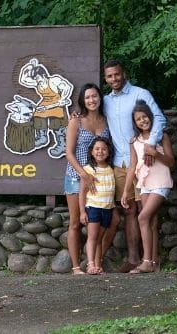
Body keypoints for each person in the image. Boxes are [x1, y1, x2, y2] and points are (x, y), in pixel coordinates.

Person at [102, 59, 166, 272]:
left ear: (123, 73)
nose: (114, 79)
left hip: (144, 162)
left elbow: (158, 117)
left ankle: (153, 260)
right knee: (129, 209)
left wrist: (150, 144)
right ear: (106, 78)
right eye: (109, 76)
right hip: (121, 162)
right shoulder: (106, 101)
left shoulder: (140, 93)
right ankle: (134, 259)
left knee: (147, 212)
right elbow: (90, 111)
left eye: (117, 74)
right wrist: (77, 115)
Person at [121, 100, 174, 273]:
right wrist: (126, 191)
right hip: (144, 183)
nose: (143, 121)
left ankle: (146, 261)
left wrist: (155, 153)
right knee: (150, 222)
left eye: (145, 117)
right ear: (135, 123)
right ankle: (153, 262)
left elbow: (171, 162)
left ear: (151, 117)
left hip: (161, 182)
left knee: (142, 217)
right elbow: (132, 166)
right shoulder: (134, 141)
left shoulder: (161, 136)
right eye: (138, 119)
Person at [64, 83, 110, 274]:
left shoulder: (106, 121)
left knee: (105, 222)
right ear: (83, 101)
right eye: (87, 97)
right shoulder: (76, 121)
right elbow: (68, 152)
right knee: (75, 222)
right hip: (76, 177)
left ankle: (95, 261)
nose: (91, 100)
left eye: (94, 96)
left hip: (100, 180)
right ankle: (76, 267)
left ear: (100, 98)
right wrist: (84, 174)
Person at [79, 137, 115, 275]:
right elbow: (82, 192)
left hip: (107, 208)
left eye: (104, 149)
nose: (101, 151)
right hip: (93, 207)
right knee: (93, 237)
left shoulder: (111, 169)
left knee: (99, 238)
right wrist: (82, 212)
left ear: (109, 152)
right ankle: (90, 264)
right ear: (92, 152)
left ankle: (98, 265)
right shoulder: (88, 170)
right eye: (97, 149)